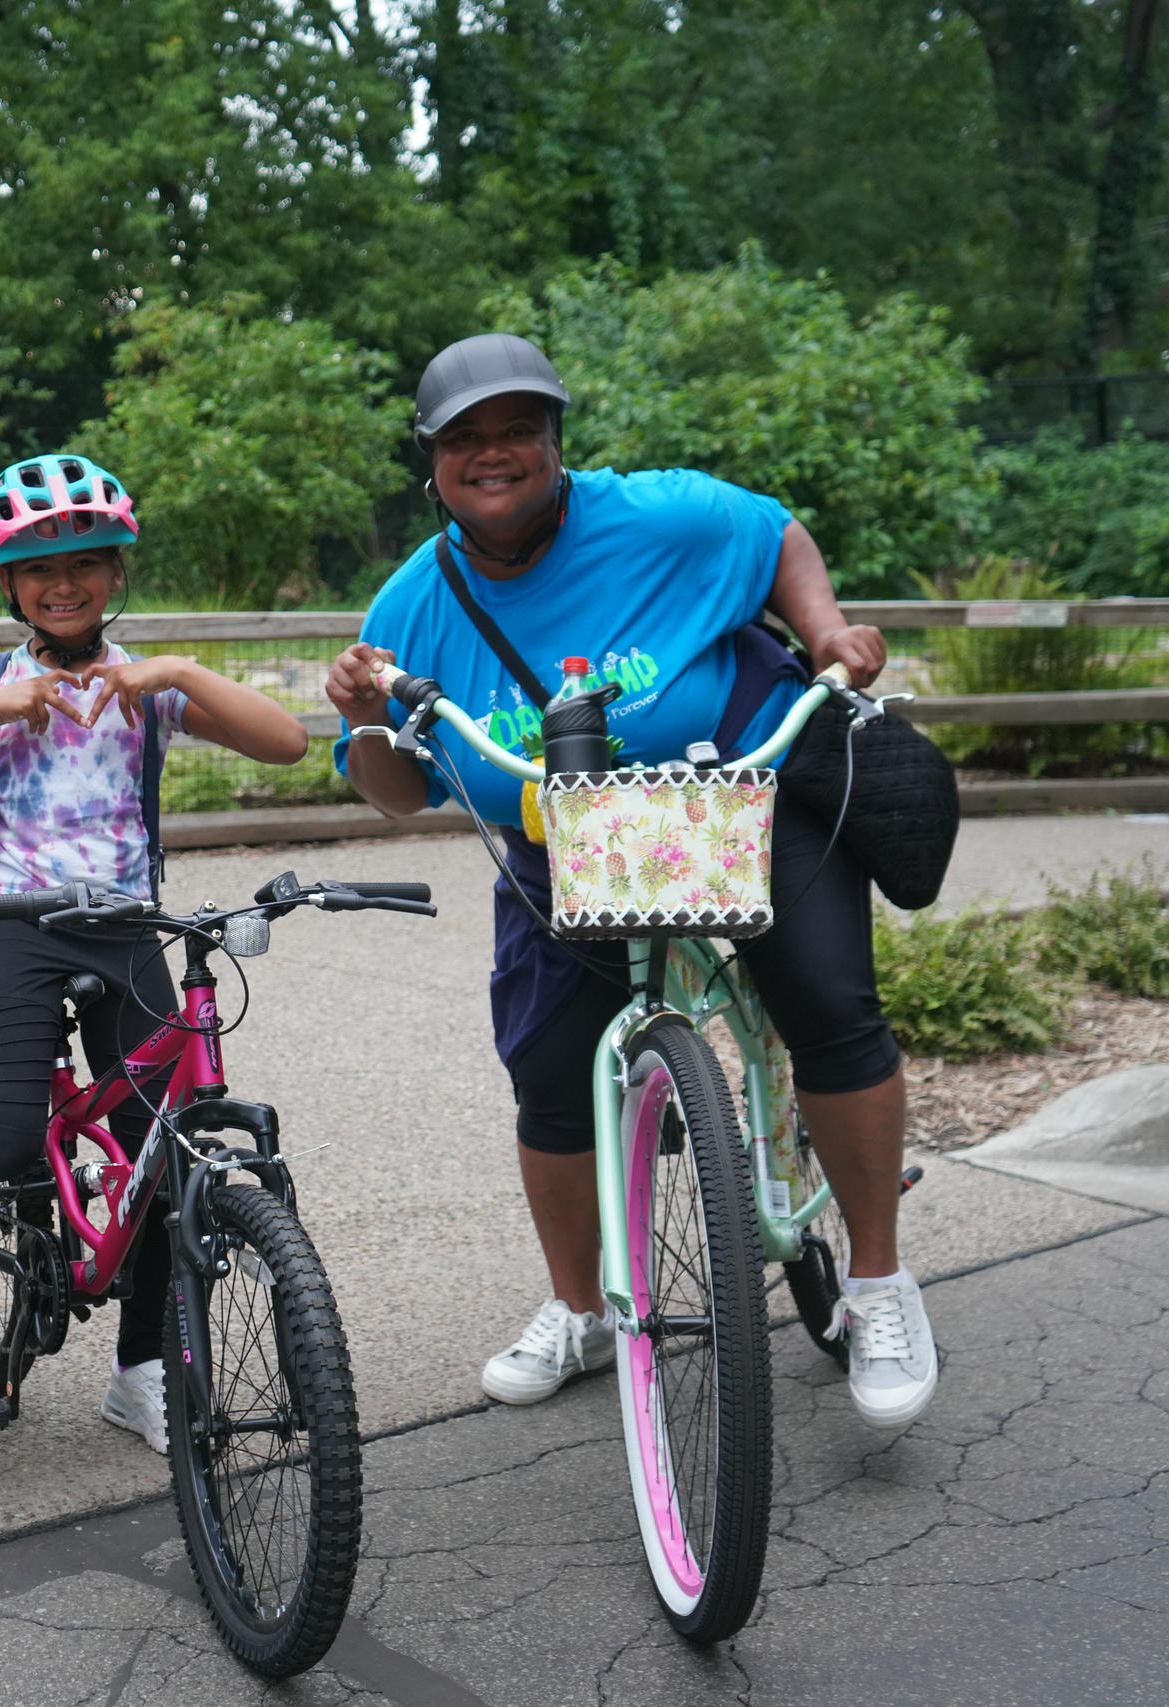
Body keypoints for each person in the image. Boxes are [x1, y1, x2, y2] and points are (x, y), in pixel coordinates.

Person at [325, 335, 938, 1429]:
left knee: (831, 1009)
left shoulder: (657, 514)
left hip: (735, 794)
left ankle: (878, 1284)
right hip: (561, 841)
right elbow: (397, 796)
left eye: (518, 428)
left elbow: (775, 532)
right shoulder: (410, 608)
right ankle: (582, 1308)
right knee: (553, 1080)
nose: (494, 453)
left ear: (557, 442)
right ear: (430, 463)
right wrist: (362, 714)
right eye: (464, 438)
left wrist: (826, 629)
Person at [0, 453, 309, 1450]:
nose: (63, 582)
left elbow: (287, 744)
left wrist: (175, 674)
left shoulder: (142, 686)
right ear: (5, 583)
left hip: (126, 925)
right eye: (37, 566)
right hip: (8, 928)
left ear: (116, 572)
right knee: (1, 1131)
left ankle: (137, 1372)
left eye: (85, 560)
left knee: (156, 1154)